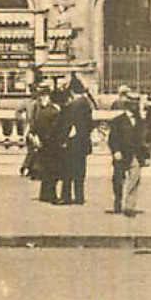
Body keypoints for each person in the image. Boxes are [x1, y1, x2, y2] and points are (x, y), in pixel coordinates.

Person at [107, 89, 149, 216]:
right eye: (132, 103)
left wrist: (146, 156)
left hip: (135, 155)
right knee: (118, 180)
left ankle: (129, 206)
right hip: (122, 155)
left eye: (136, 103)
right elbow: (112, 138)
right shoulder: (118, 121)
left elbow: (144, 140)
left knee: (135, 179)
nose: (135, 106)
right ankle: (118, 201)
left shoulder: (141, 122)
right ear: (127, 105)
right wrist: (116, 151)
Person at [58, 77, 95, 206]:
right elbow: (90, 125)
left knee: (67, 170)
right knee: (80, 171)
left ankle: (66, 196)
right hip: (83, 142)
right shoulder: (87, 104)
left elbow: (66, 125)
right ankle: (79, 196)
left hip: (72, 142)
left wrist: (63, 140)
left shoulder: (72, 106)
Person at [23, 85, 60, 203]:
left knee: (45, 170)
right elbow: (56, 129)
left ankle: (44, 194)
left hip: (42, 143)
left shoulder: (41, 113)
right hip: (52, 144)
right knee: (53, 171)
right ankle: (51, 195)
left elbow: (32, 130)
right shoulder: (54, 112)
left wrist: (36, 140)